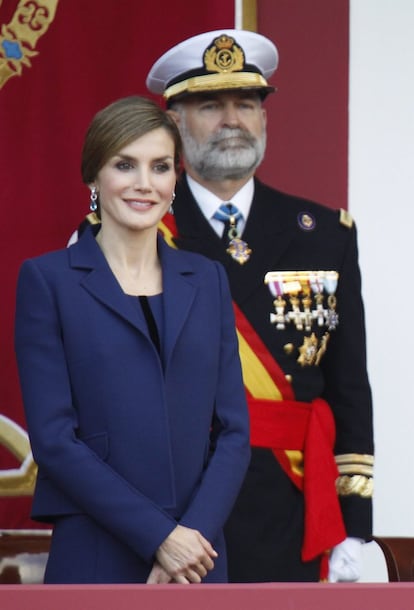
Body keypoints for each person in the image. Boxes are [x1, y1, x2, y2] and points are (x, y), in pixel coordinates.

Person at [144, 29, 374, 583]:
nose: (232, 120)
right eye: (209, 105)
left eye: (246, 104)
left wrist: (353, 521)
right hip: (175, 508)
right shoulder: (137, 229)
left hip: (291, 506)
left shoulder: (324, 232)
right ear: (175, 121)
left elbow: (348, 385)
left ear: (265, 119)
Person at [14, 95, 250, 584]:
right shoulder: (47, 281)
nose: (145, 183)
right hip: (97, 548)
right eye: (125, 165)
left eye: (160, 167)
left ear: (174, 180)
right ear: (94, 177)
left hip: (199, 556)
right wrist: (160, 538)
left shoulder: (207, 279)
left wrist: (190, 537)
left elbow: (233, 432)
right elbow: (55, 441)